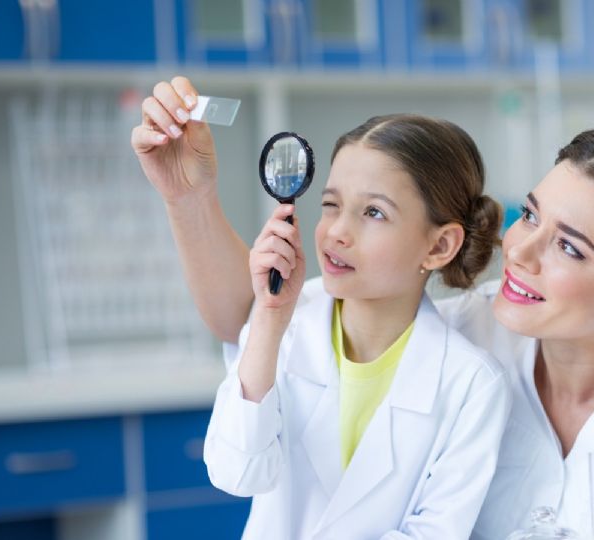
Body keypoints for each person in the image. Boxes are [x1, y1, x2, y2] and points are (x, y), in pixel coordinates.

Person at [136, 77, 594, 539]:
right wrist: (189, 195)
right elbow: (255, 320)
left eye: (570, 247)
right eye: (531, 214)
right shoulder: (466, 334)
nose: (521, 251)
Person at [132, 77, 511, 539]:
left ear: (439, 245)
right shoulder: (286, 322)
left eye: (374, 213)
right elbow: (236, 472)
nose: (336, 232)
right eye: (331, 205)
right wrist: (270, 319)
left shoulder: (472, 384)